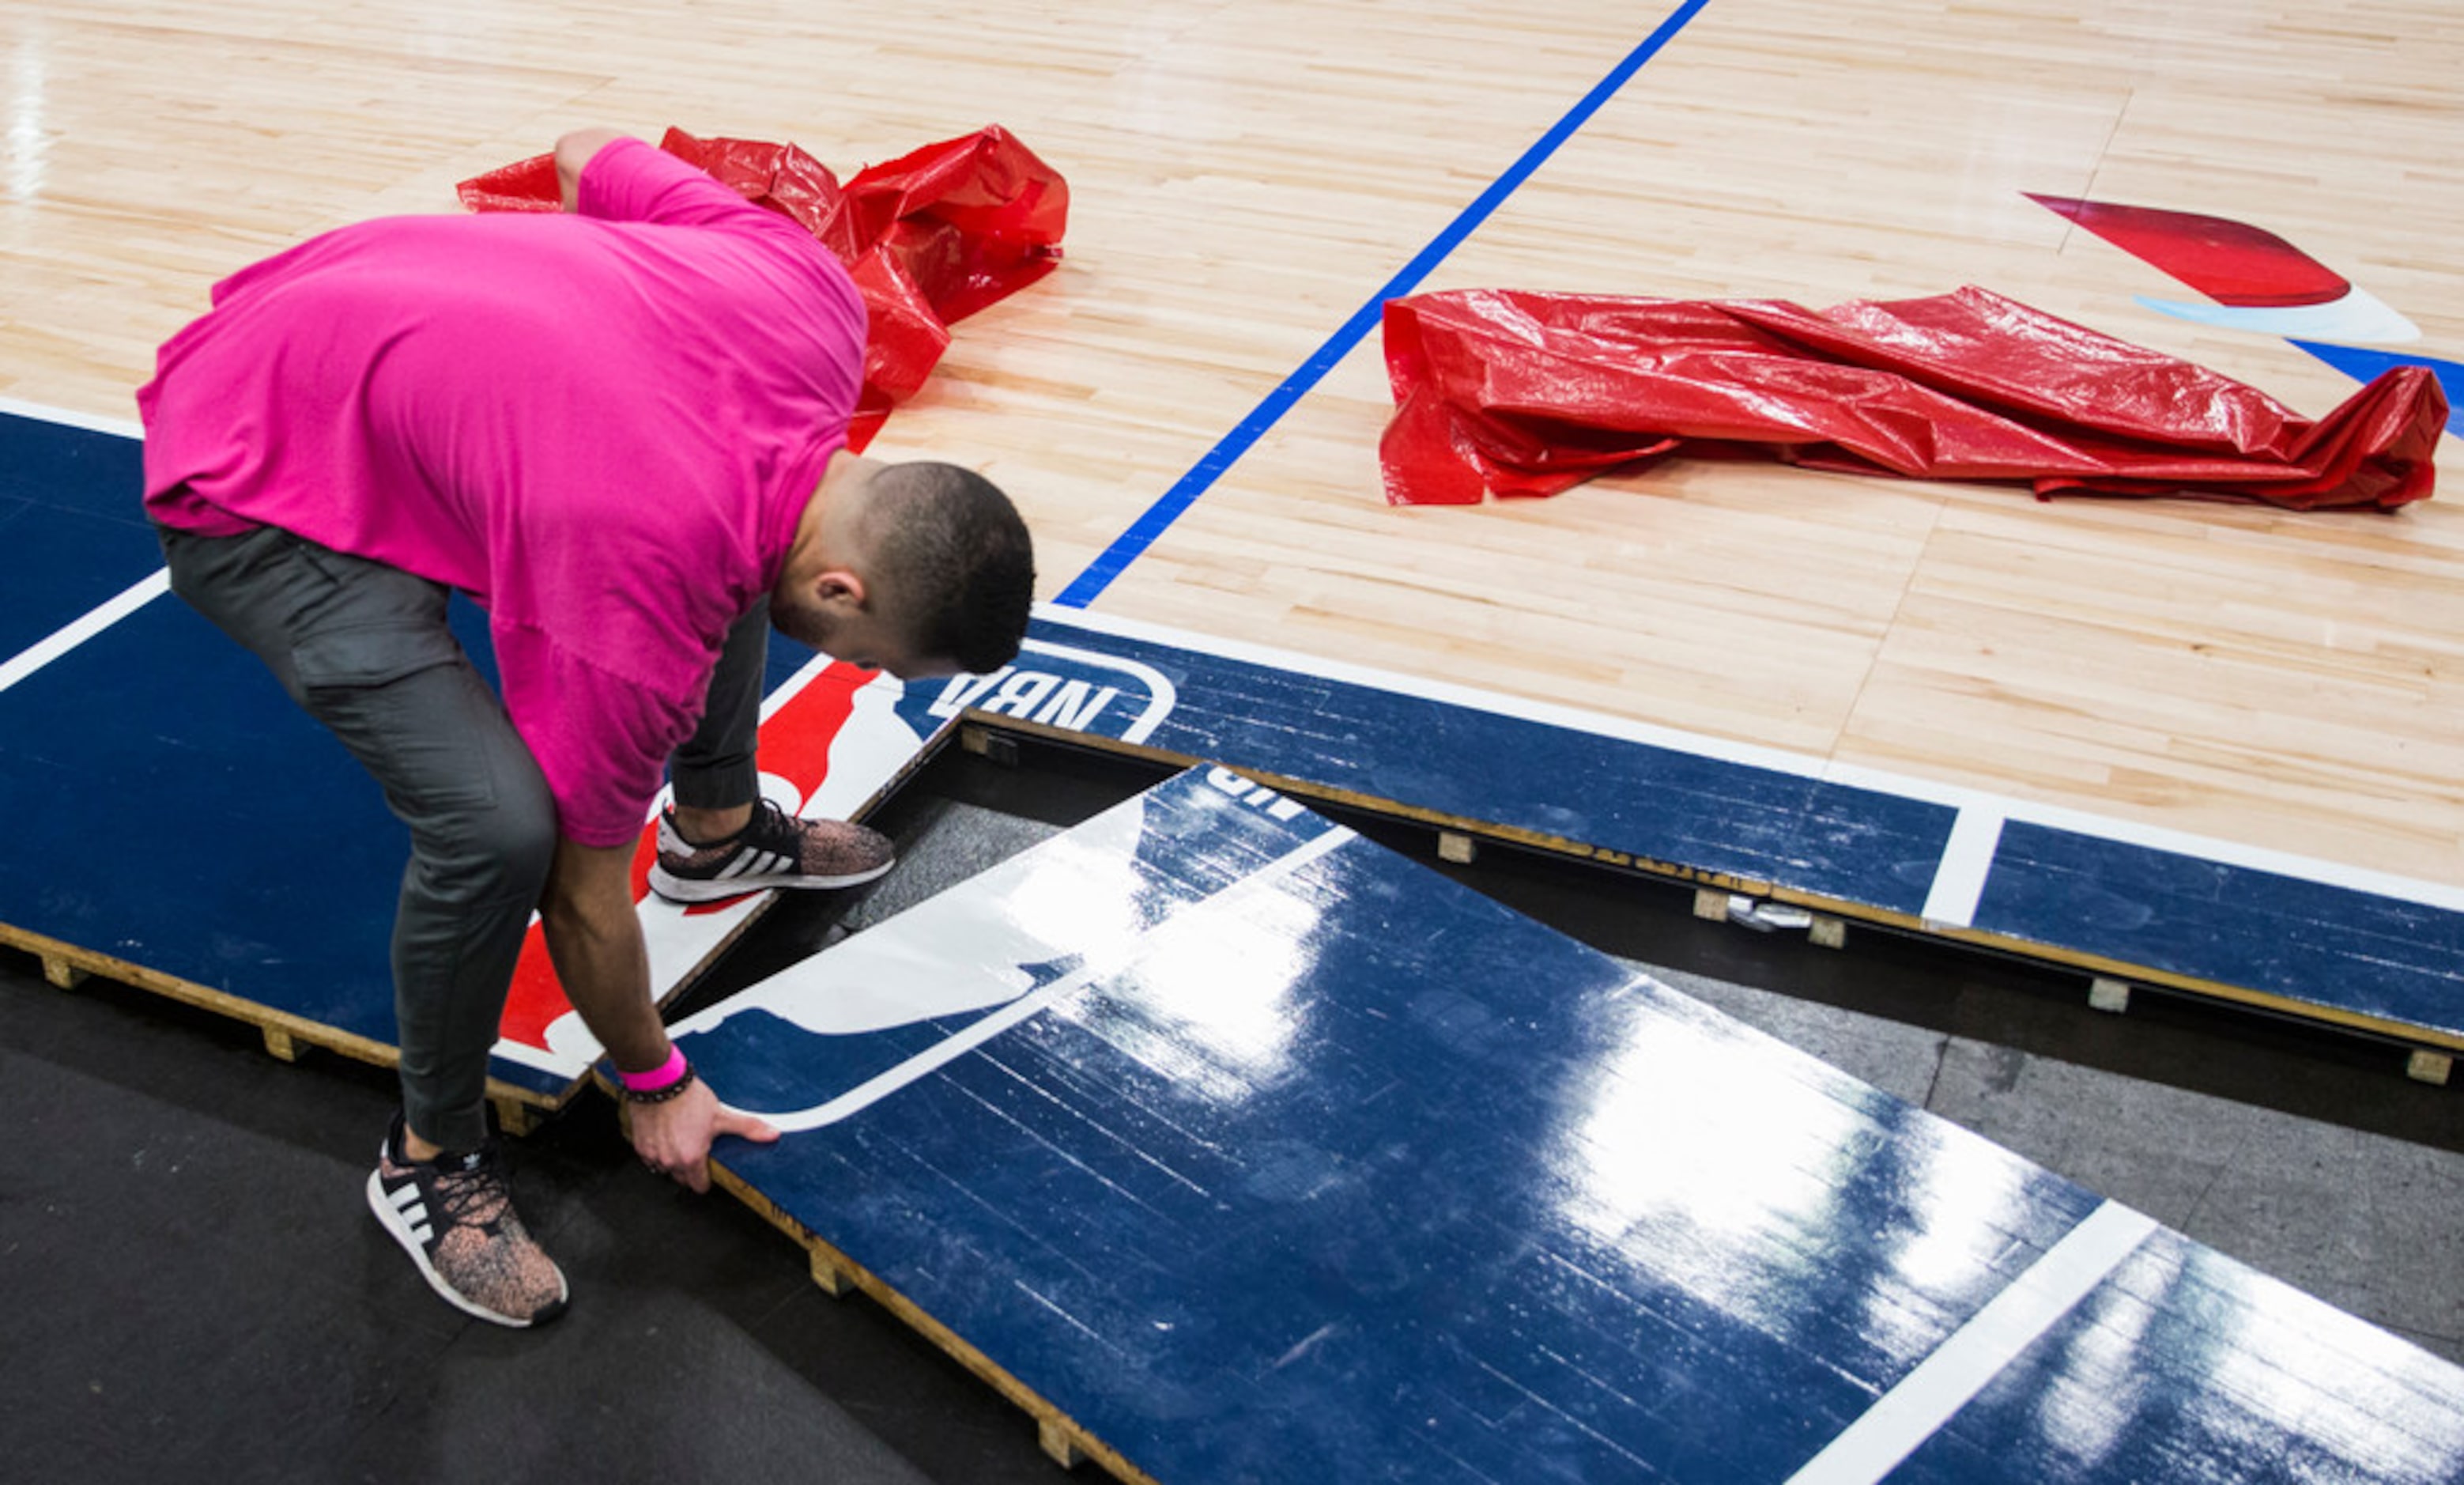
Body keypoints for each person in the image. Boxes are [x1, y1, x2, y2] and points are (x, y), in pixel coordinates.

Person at [135, 127, 1036, 1328]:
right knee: (496, 827)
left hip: (343, 307)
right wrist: (656, 1078)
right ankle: (427, 1161)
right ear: (851, 595)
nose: (851, 663)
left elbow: (582, 155)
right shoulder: (634, 593)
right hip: (247, 483)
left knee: (749, 541)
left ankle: (713, 832)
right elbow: (579, 891)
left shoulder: (812, 299)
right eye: (861, 651)